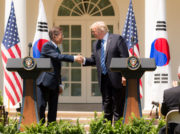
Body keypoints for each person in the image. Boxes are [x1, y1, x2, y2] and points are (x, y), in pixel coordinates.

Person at [80, 21, 129, 123]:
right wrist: (84, 60)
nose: (92, 34)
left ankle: (118, 130)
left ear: (100, 30)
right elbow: (94, 60)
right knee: (106, 106)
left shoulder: (117, 39)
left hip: (117, 79)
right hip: (104, 79)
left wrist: (124, 76)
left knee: (118, 107)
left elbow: (125, 58)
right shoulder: (96, 44)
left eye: (93, 31)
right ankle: (106, 129)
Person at [36, 26, 82, 124]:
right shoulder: (47, 46)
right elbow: (58, 57)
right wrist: (74, 58)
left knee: (53, 110)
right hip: (44, 82)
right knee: (41, 107)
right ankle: (40, 128)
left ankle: (51, 129)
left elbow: (57, 69)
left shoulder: (56, 48)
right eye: (62, 35)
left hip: (54, 84)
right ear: (54, 36)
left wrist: (60, 84)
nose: (63, 37)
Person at [159, 66, 180, 134]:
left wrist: (174, 89)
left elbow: (163, 112)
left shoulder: (168, 93)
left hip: (173, 129)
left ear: (179, 75)